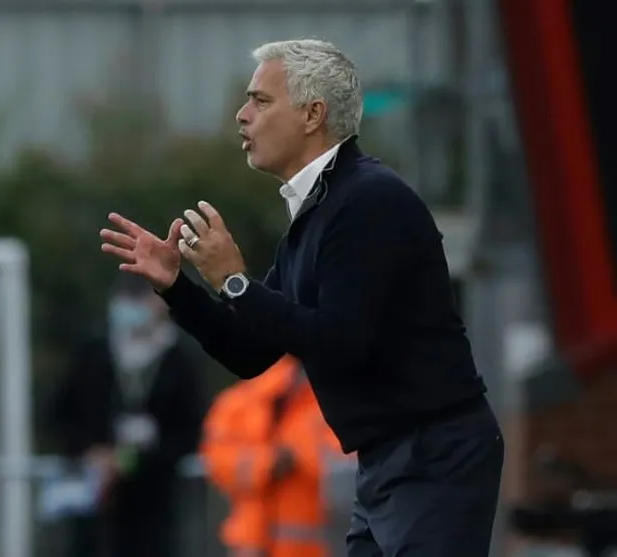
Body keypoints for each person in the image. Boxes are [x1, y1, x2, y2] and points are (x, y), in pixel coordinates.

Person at [99, 38, 504, 557]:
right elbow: (251, 351)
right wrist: (177, 288)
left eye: (261, 100)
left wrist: (235, 282)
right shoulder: (319, 212)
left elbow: (341, 343)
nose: (242, 115)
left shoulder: (369, 200)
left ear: (313, 114)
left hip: (434, 453)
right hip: (389, 459)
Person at [48, 274, 205, 557]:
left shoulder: (178, 358)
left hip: (153, 497)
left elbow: (190, 430)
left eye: (140, 298)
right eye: (126, 298)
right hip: (92, 490)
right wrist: (90, 452)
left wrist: (128, 461)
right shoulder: (93, 352)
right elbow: (61, 414)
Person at [202, 354, 348, 557]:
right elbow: (217, 463)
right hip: (250, 543)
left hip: (307, 545)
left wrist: (293, 457)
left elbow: (341, 465)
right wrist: (268, 464)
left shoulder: (326, 407)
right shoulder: (236, 405)